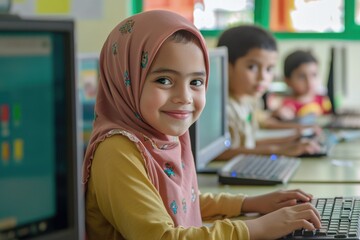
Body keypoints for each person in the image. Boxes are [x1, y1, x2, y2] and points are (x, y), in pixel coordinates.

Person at [82, 10, 321, 240]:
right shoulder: (117, 150)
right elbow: (161, 236)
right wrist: (255, 228)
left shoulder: (164, 137)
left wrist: (249, 203)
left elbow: (184, 200)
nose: (184, 97)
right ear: (125, 79)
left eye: (196, 81)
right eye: (164, 80)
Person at [216, 25, 322, 160]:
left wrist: (290, 139)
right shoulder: (220, 108)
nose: (263, 77)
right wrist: (278, 150)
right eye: (252, 67)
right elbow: (219, 154)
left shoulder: (248, 100)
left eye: (269, 69)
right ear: (226, 66)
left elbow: (248, 143)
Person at [274, 50, 332, 121]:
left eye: (314, 75)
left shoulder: (324, 101)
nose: (309, 81)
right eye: (301, 76)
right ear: (287, 81)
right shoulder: (287, 105)